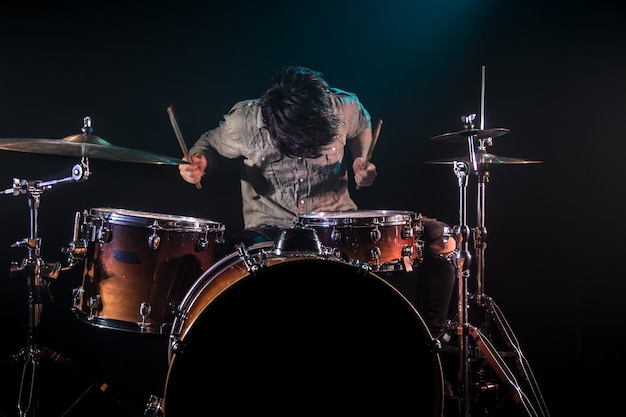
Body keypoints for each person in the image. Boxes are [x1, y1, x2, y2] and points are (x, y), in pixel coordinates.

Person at [178, 65, 457, 335]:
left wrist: (361, 159)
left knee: (440, 237)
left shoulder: (341, 106)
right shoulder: (246, 122)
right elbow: (210, 143)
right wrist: (200, 161)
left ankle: (432, 348)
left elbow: (362, 125)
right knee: (237, 263)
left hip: (336, 224)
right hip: (270, 229)